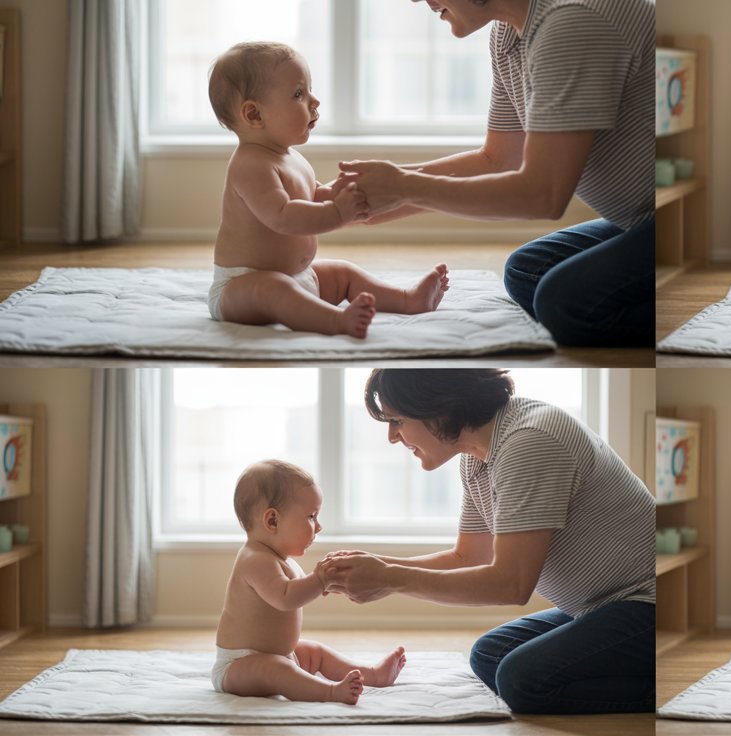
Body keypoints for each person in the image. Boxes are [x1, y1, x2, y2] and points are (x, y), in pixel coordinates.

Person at [320, 369, 655, 714]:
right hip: (596, 607)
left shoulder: (530, 441)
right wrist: (377, 566)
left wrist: (389, 578)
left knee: (521, 680)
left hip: (646, 604)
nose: (392, 436)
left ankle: (664, 687)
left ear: (436, 408)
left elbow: (511, 585)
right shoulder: (477, 456)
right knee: (490, 654)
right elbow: (469, 557)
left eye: (396, 420)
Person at [334, 0, 655, 347]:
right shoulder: (507, 34)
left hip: (675, 220)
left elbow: (543, 195)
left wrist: (405, 188)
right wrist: (365, 199)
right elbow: (498, 159)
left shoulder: (572, 23)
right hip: (637, 220)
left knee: (562, 304)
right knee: (525, 271)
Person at [207, 42, 450, 339]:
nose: (315, 101)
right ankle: (337, 321)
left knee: (343, 273)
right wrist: (337, 212)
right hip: (242, 287)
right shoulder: (250, 165)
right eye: (299, 94)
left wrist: (335, 192)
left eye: (310, 89)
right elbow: (282, 216)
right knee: (274, 289)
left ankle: (407, 299)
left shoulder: (290, 157)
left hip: (299, 277)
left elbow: (310, 195)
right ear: (254, 115)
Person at [213, 459, 407, 704]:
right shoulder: (255, 560)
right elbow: (285, 598)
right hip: (239, 666)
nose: (319, 526)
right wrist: (319, 581)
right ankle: (330, 692)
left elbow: (298, 592)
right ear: (272, 521)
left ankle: (373, 675)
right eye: (312, 516)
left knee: (315, 652)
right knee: (278, 670)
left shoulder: (278, 558)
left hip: (279, 655)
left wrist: (326, 583)